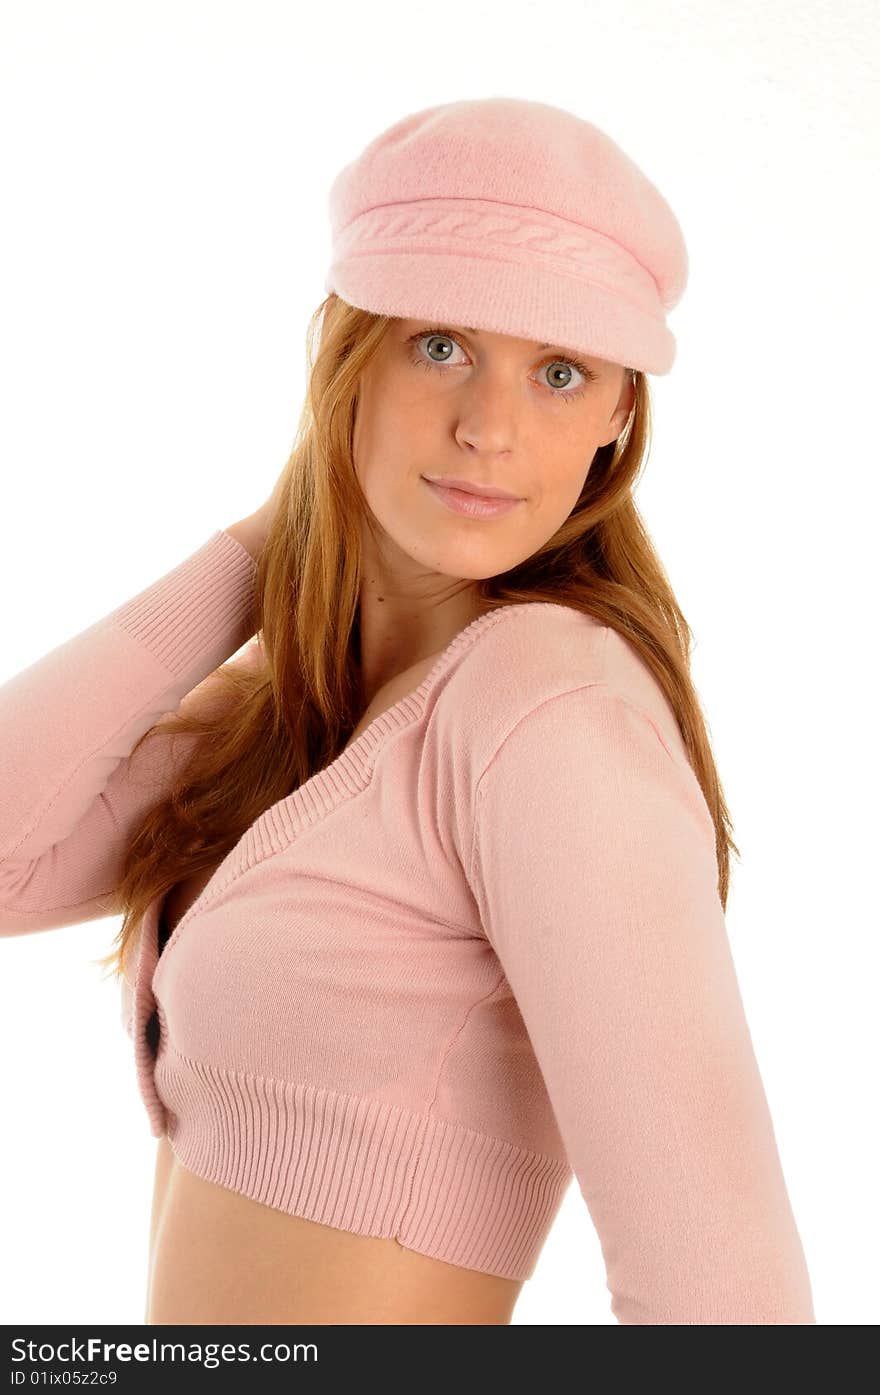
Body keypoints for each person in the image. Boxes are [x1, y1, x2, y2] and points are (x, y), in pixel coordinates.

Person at [0, 97, 816, 1325]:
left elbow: (723, 1290)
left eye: (560, 372)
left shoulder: (543, 711)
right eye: (440, 345)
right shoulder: (290, 711)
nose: (490, 430)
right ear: (347, 356)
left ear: (617, 420)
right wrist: (270, 554)